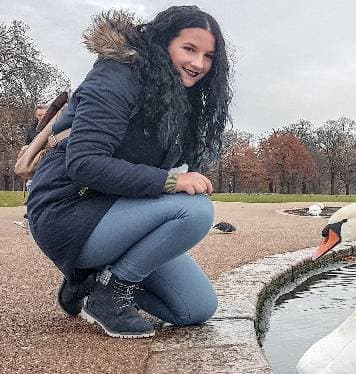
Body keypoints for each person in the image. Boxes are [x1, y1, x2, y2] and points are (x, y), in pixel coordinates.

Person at [26, 7, 231, 339]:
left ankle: (90, 281)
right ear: (164, 43)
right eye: (189, 49)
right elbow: (84, 163)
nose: (199, 64)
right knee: (194, 210)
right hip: (66, 212)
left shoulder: (177, 97)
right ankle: (108, 295)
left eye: (209, 56)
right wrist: (171, 181)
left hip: (116, 213)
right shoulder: (116, 76)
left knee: (196, 308)